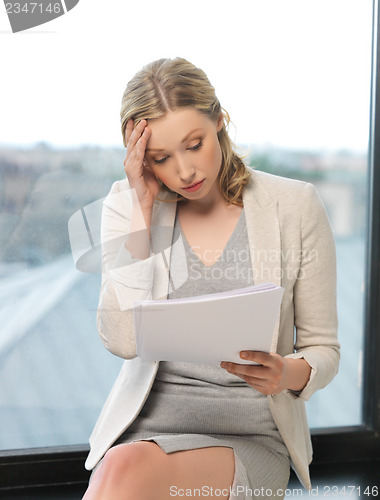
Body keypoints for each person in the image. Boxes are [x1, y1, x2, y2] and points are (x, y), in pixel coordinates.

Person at [82, 57, 340, 500]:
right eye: (161, 158)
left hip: (251, 434)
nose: (184, 172)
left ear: (220, 121)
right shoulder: (128, 207)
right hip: (149, 430)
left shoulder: (294, 205)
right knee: (122, 465)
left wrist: (286, 373)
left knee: (124, 475)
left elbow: (324, 349)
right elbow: (123, 341)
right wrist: (140, 215)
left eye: (195, 144)